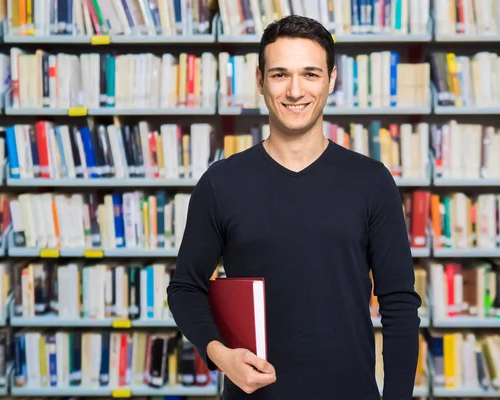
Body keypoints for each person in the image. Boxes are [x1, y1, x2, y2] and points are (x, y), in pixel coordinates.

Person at [167, 14, 421, 400]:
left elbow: (399, 303)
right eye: (280, 74)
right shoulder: (221, 183)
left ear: (332, 80)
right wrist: (219, 355)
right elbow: (185, 287)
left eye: (311, 74)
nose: (295, 90)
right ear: (260, 80)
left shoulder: (371, 182)